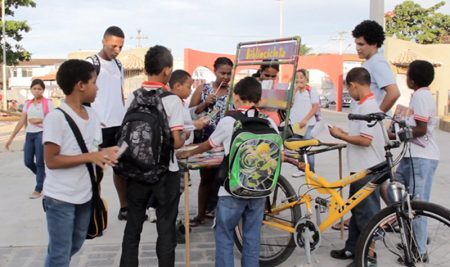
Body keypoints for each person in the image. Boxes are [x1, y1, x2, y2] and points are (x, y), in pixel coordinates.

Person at [177, 76, 278, 266]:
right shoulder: (269, 122)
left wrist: (189, 152)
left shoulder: (229, 121)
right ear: (258, 99)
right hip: (259, 191)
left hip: (231, 189)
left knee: (224, 233)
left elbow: (210, 144)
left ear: (237, 97)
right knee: (252, 235)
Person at [42, 59, 119, 267]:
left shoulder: (93, 115)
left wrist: (105, 154)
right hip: (60, 199)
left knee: (74, 244)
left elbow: (92, 150)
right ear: (81, 85)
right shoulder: (56, 119)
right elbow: (51, 160)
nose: (98, 87)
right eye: (94, 82)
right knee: (60, 253)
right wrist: (91, 157)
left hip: (85, 195)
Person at [120, 45, 186, 267]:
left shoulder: (133, 96)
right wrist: (184, 136)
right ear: (167, 71)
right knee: (166, 231)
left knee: (133, 228)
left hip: (136, 171)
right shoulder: (172, 100)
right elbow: (176, 142)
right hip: (166, 174)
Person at [334, 20, 401, 231]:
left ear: (373, 44)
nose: (358, 48)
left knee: (374, 180)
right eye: (357, 44)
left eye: (361, 44)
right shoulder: (370, 63)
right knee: (378, 181)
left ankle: (399, 216)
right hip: (366, 125)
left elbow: (393, 93)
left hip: (371, 130)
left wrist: (374, 117)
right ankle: (396, 217)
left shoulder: (377, 64)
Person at [328, 67, 385, 267]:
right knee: (357, 212)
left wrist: (340, 135)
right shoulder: (364, 105)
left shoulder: (368, 107)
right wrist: (345, 133)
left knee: (366, 216)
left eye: (348, 89)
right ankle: (352, 247)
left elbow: (365, 140)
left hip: (367, 168)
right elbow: (360, 135)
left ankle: (368, 257)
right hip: (360, 168)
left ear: (353, 86)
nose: (349, 93)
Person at [393, 60, 439, 263]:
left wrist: (399, 134)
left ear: (412, 79)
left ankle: (419, 249)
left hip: (422, 158)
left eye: (407, 74)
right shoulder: (419, 96)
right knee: (397, 193)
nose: (405, 77)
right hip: (412, 156)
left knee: (417, 205)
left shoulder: (421, 96)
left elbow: (421, 129)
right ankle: (412, 238)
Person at [87, 26, 128, 220]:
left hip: (119, 127)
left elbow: (119, 93)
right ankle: (94, 209)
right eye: (113, 46)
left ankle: (124, 208)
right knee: (96, 172)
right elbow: (84, 97)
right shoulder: (91, 64)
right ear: (103, 41)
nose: (117, 50)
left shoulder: (119, 65)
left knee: (121, 169)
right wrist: (92, 122)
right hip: (99, 128)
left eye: (120, 46)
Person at [188, 57, 233, 226]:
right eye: (222, 73)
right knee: (206, 178)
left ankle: (219, 213)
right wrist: (203, 104)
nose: (226, 77)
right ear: (215, 71)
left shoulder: (234, 92)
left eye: (229, 73)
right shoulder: (203, 89)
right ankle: (200, 214)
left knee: (223, 177)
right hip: (206, 138)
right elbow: (190, 114)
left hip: (226, 140)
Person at [5, 79, 54, 199]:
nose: (37, 91)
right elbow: (22, 121)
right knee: (28, 161)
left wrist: (40, 120)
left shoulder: (48, 103)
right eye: (34, 88)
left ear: (43, 90)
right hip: (30, 134)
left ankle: (39, 188)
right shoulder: (28, 103)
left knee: (40, 162)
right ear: (31, 89)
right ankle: (43, 179)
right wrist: (11, 138)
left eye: (39, 89)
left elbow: (54, 119)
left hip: (41, 133)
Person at [289, 69, 320, 172]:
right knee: (298, 148)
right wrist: (294, 91)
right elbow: (288, 104)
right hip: (296, 124)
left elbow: (315, 107)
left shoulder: (311, 91)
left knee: (307, 147)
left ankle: (311, 171)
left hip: (308, 124)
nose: (299, 80)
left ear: (306, 79)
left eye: (301, 77)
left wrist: (305, 120)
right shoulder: (294, 91)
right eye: (296, 77)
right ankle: (301, 170)